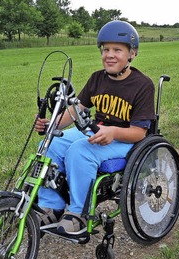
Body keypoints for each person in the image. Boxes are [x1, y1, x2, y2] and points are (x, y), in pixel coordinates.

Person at [34, 20, 155, 237]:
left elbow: (140, 133)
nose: (109, 54)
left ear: (132, 54)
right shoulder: (97, 78)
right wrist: (50, 125)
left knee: (80, 150)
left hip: (124, 140)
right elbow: (75, 110)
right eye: (105, 49)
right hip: (97, 132)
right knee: (50, 142)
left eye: (117, 50)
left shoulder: (142, 85)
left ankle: (78, 214)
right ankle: (52, 206)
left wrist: (114, 132)